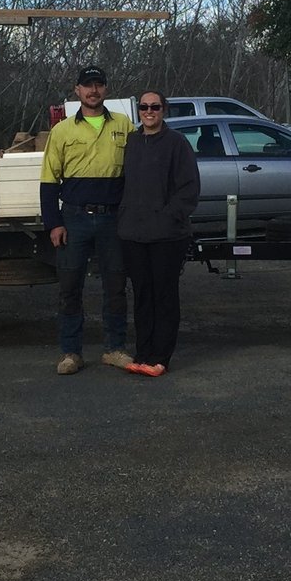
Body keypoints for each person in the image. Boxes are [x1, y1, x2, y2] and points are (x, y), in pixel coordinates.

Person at [40, 65, 132, 374]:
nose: (93, 90)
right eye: (87, 85)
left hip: (113, 219)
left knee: (116, 287)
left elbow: (138, 171)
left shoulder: (124, 126)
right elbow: (49, 181)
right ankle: (70, 353)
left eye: (99, 85)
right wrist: (54, 223)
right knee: (69, 287)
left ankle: (115, 349)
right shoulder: (62, 130)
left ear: (106, 89)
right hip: (75, 219)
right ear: (77, 90)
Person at [116, 90, 201, 377]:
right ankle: (143, 353)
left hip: (167, 236)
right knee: (142, 295)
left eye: (155, 107)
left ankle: (160, 357)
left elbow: (189, 189)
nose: (149, 111)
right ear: (138, 111)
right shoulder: (132, 142)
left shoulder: (177, 144)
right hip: (134, 235)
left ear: (164, 109)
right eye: (144, 107)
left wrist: (167, 217)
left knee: (164, 295)